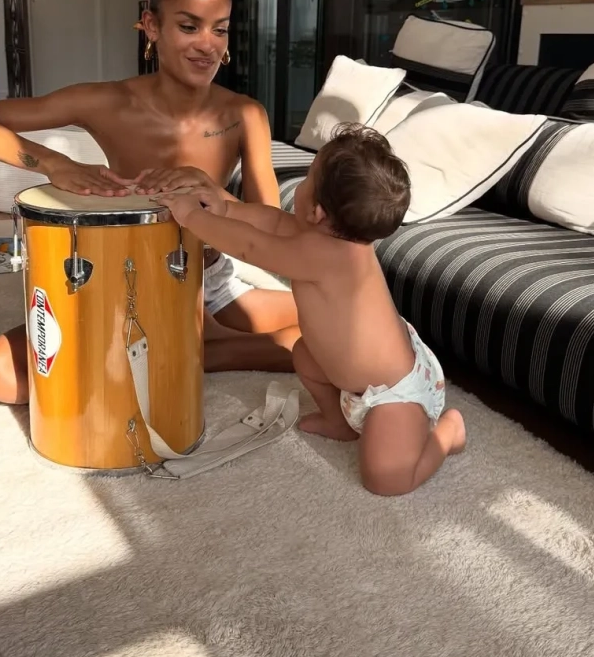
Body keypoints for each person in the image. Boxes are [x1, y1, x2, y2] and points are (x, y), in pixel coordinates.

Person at [0, 0, 300, 405]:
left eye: (220, 29)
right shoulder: (107, 101)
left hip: (211, 280)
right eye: (189, 27)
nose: (208, 45)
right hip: (125, 281)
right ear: (151, 26)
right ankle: (196, 347)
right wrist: (53, 162)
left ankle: (198, 347)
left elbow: (271, 230)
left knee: (338, 321)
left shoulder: (244, 113)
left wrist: (214, 193)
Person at [158, 124, 466, 497]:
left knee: (386, 480)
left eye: (307, 178)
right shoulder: (321, 239)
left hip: (396, 393)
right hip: (353, 378)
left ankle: (448, 433)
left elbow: (253, 247)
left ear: (317, 211)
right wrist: (225, 209)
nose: (301, 185)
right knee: (304, 353)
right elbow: (271, 222)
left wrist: (194, 218)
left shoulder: (332, 256)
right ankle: (339, 422)